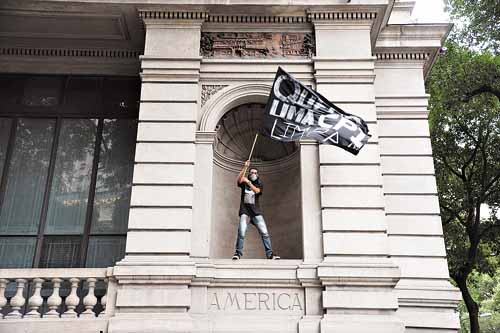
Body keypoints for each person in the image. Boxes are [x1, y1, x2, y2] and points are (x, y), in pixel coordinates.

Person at [232, 160, 280, 260]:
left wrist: (248, 182)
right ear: (249, 174)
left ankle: (270, 254)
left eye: (255, 173)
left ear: (257, 175)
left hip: (256, 213)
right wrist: (245, 167)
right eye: (251, 172)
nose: (253, 174)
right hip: (245, 211)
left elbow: (256, 191)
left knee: (265, 233)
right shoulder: (243, 184)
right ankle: (238, 253)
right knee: (241, 232)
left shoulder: (259, 184)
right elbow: (239, 180)